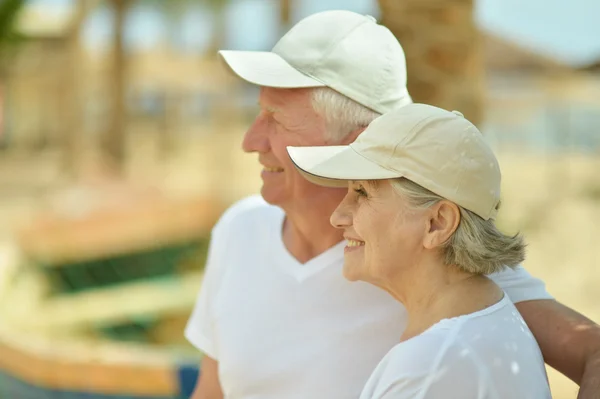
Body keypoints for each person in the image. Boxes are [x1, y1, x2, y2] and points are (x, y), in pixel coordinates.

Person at [185, 10, 600, 399]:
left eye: (276, 120)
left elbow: (591, 351)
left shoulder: (439, 261)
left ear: (359, 138)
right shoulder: (238, 230)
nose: (250, 142)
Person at [286, 103, 552, 398]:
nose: (338, 217)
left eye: (362, 192)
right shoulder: (483, 323)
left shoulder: (432, 366)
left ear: (437, 223)